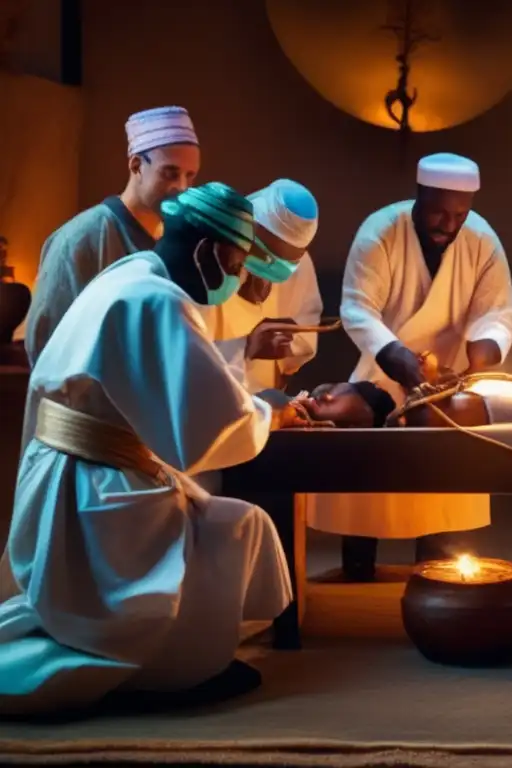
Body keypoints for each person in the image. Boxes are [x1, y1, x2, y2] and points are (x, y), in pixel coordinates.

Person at [0, 182, 312, 717]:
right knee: (232, 528)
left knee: (233, 522)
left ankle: (177, 657)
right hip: (99, 493)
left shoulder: (131, 275)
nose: (239, 279)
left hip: (74, 475)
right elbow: (209, 430)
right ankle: (171, 671)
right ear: (210, 252)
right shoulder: (157, 300)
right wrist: (271, 411)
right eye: (238, 264)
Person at [305, 152, 512, 581]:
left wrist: (483, 353)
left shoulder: (482, 238)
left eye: (460, 213)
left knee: (441, 489)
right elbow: (358, 309)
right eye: (439, 211)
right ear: (419, 196)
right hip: (382, 370)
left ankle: (439, 579)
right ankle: (357, 579)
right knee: (368, 491)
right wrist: (396, 353)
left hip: (448, 380)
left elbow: (497, 312)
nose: (449, 224)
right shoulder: (380, 230)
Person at [25, 106, 201, 364]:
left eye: (190, 176)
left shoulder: (171, 240)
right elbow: (47, 346)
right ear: (137, 165)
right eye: (170, 173)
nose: (182, 188)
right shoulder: (82, 239)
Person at [198, 179, 324, 394]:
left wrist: (287, 345)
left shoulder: (300, 266)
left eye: (285, 261)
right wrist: (245, 347)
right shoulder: (205, 261)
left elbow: (299, 344)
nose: (270, 269)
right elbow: (188, 357)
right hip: (211, 396)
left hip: (264, 402)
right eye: (265, 255)